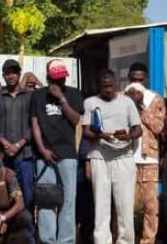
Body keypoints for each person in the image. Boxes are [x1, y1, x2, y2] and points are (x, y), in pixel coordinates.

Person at [82, 69, 142, 244]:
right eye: (104, 86)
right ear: (99, 86)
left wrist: (129, 136)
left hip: (123, 158)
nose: (108, 89)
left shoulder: (127, 102)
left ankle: (125, 241)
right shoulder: (90, 102)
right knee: (101, 207)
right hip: (99, 158)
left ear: (115, 84)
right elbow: (86, 131)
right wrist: (101, 135)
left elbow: (138, 129)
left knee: (125, 207)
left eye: (110, 86)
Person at [29, 60, 83, 244]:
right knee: (46, 199)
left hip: (67, 153)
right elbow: (34, 123)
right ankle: (47, 240)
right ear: (48, 75)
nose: (59, 81)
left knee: (69, 199)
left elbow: (76, 120)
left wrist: (62, 98)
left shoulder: (74, 94)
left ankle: (66, 240)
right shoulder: (38, 95)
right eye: (55, 77)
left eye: (62, 78)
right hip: (45, 154)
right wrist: (42, 149)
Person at [0, 59, 35, 225]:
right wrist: (5, 144)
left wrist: (19, 144)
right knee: (3, 195)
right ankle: (3, 231)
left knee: (27, 194)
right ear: (3, 75)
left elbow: (34, 124)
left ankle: (27, 235)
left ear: (19, 74)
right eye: (8, 73)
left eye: (15, 72)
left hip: (25, 155)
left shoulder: (29, 97)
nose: (11, 76)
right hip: (3, 157)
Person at [124, 81, 164, 244]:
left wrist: (140, 106)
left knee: (150, 206)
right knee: (124, 205)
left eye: (140, 79)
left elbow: (158, 127)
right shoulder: (121, 98)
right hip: (126, 158)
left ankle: (147, 241)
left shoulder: (155, 100)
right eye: (133, 78)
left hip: (149, 159)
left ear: (146, 80)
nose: (136, 83)